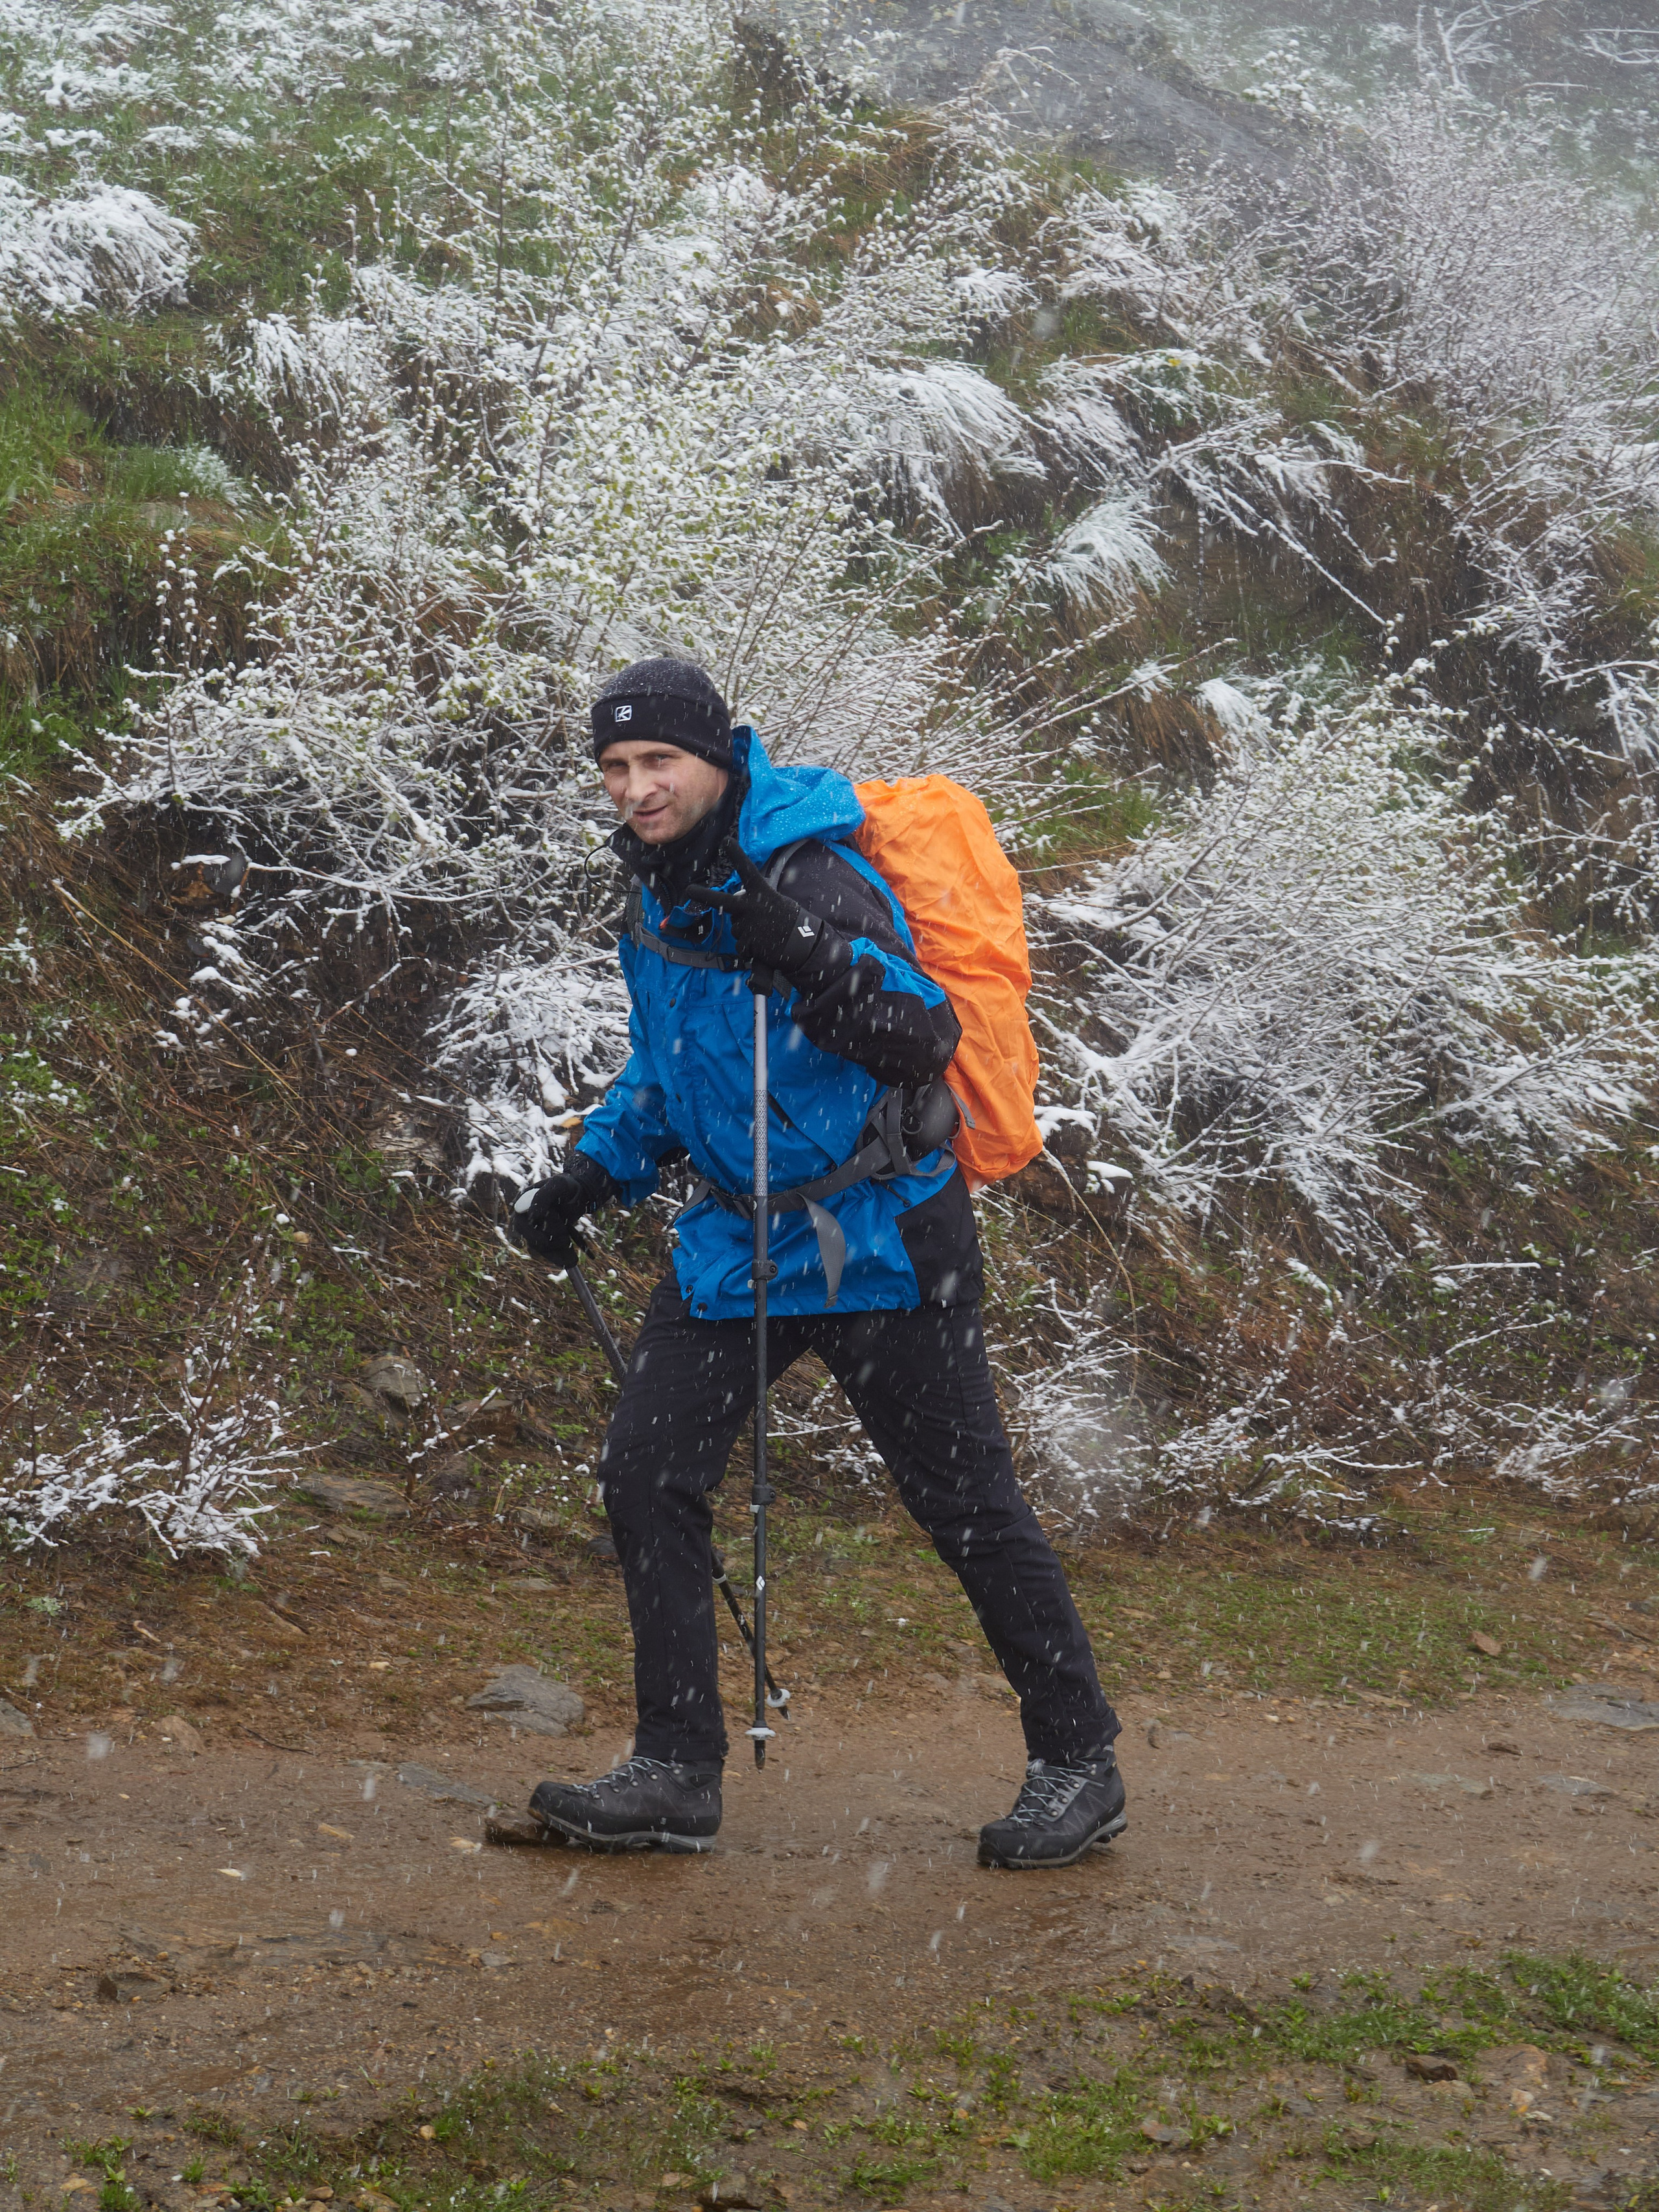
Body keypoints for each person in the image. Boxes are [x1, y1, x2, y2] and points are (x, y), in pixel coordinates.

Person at [509, 656, 1124, 1869]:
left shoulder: (813, 870)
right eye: (618, 768)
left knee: (966, 1508)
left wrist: (793, 943)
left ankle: (1078, 1758)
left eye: (659, 764)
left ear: (717, 761)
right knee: (645, 1469)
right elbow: (669, 1066)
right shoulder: (658, 892)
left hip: (880, 1237)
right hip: (739, 1243)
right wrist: (592, 1171)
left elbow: (917, 1032)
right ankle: (677, 1771)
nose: (637, 787)